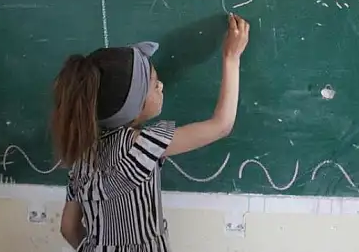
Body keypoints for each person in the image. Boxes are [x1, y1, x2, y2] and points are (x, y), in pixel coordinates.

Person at [50, 13, 250, 251]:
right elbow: (221, 125)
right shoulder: (141, 146)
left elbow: (69, 228)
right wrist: (231, 57)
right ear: (134, 106)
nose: (161, 86)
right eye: (155, 84)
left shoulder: (82, 154)